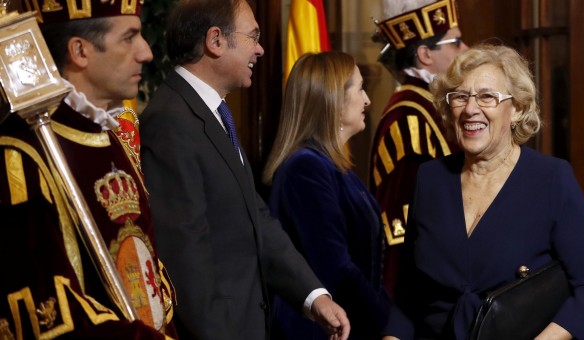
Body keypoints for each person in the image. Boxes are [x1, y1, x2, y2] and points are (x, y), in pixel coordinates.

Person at [139, 0, 350, 339]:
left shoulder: (212, 112)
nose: (261, 49)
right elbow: (186, 258)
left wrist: (313, 296)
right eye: (253, 36)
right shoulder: (170, 121)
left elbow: (255, 217)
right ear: (215, 41)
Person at [383, 44, 584, 340]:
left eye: (487, 97)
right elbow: (409, 290)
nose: (470, 109)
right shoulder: (430, 179)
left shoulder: (551, 179)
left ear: (516, 109)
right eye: (460, 97)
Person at [0, 0, 178, 338]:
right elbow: (50, 314)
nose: (146, 53)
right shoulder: (20, 155)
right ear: (80, 50)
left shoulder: (113, 139)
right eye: (129, 38)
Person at [262, 51, 391, 339]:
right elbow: (335, 267)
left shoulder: (332, 165)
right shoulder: (305, 168)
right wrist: (389, 323)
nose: (367, 100)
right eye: (359, 88)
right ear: (334, 99)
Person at [369, 0, 468, 295]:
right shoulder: (408, 117)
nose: (466, 50)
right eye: (457, 42)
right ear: (425, 54)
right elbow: (402, 226)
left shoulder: (431, 104)